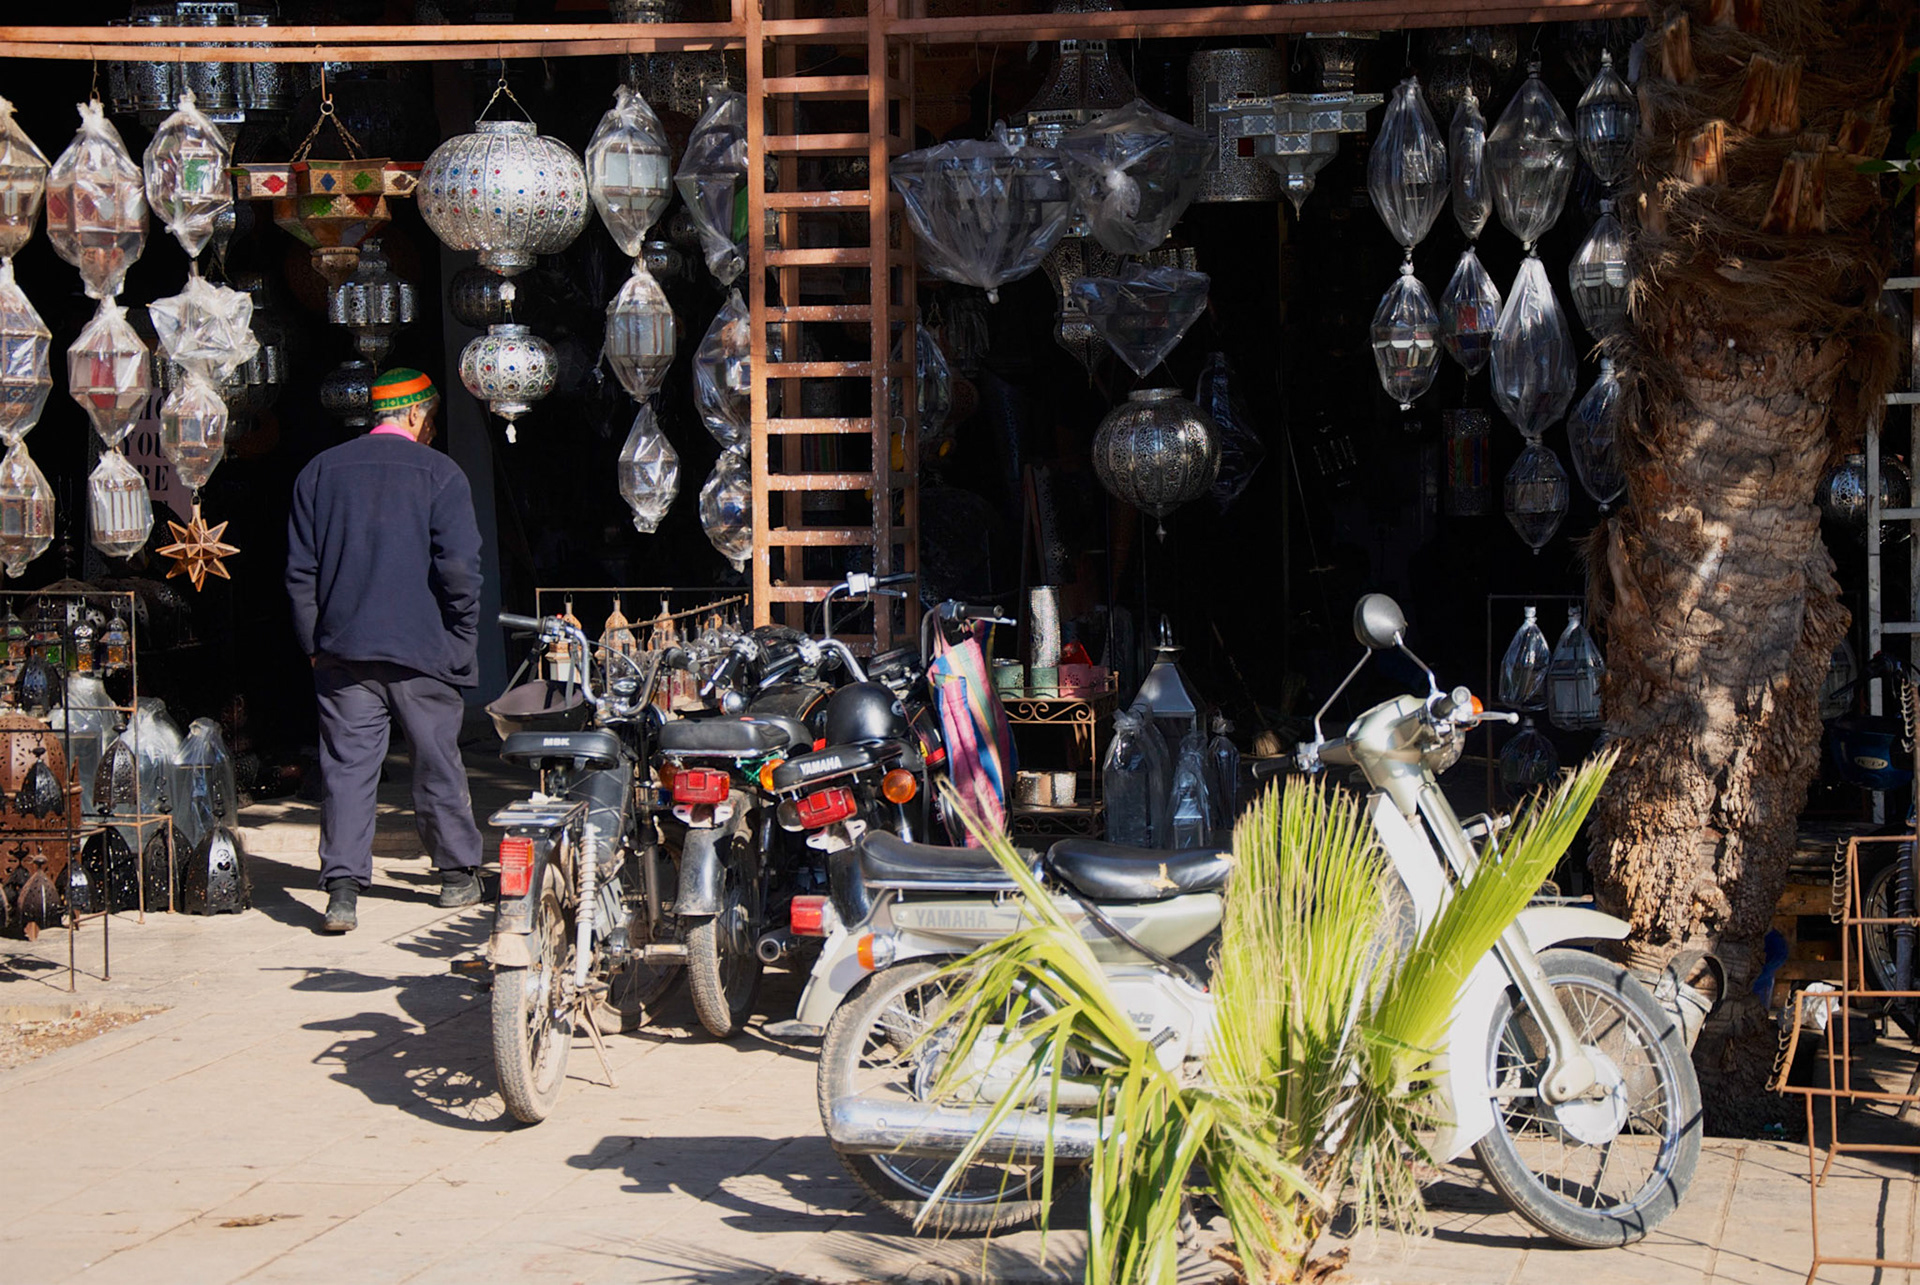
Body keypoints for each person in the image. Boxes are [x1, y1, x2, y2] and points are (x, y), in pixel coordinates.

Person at [286, 368, 486, 933]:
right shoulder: (441, 474)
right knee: (436, 759)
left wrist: (313, 645)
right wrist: (461, 639)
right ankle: (455, 876)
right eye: (432, 420)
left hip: (343, 649)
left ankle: (342, 893)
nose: (431, 430)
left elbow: (301, 573)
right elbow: (460, 573)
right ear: (417, 414)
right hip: (424, 650)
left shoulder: (320, 472)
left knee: (347, 770)